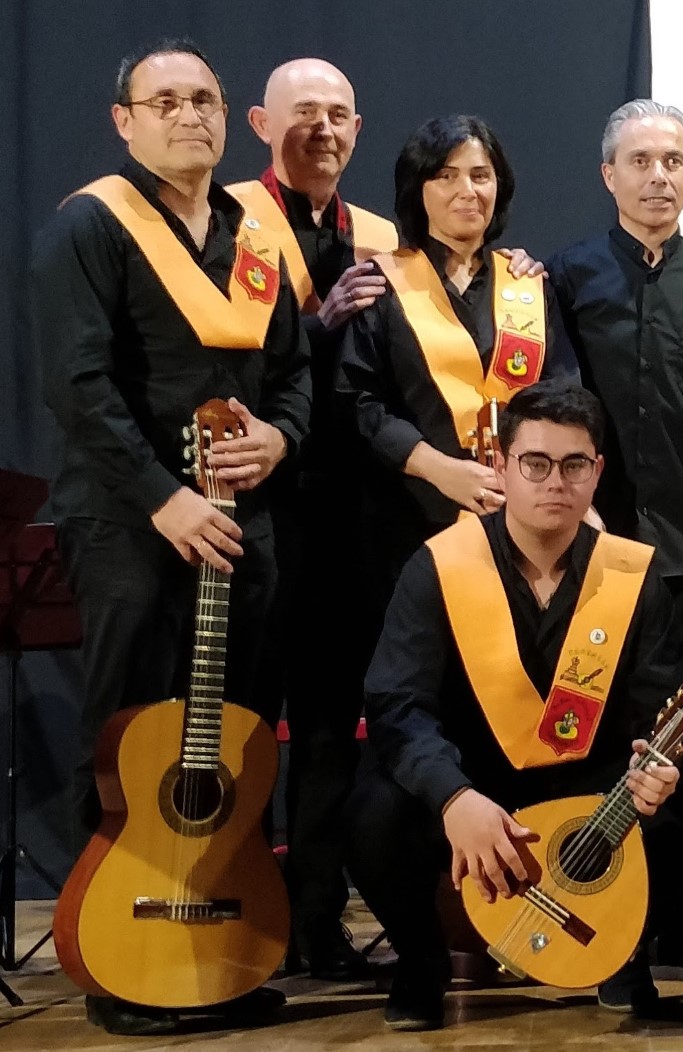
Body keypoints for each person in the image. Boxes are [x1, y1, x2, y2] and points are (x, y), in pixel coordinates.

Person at [31, 38, 308, 1035]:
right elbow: (77, 384)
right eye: (166, 99)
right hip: (131, 526)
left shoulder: (253, 236)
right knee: (130, 743)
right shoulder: (92, 226)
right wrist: (162, 496)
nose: (190, 114)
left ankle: (220, 946)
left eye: (205, 99)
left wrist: (284, 434)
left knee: (236, 736)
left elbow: (294, 372)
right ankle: (122, 957)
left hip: (243, 523)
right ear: (125, 121)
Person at [347, 381, 683, 1031]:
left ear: (597, 473)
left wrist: (657, 767)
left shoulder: (632, 575)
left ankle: (625, 947)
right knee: (372, 807)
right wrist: (453, 798)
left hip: (591, 788)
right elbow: (397, 705)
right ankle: (422, 960)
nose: (554, 481)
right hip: (476, 781)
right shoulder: (439, 566)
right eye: (535, 463)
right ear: (500, 467)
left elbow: (653, 707)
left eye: (574, 464)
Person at [546, 97, 683, 1006]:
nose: (657, 176)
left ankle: (680, 914)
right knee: (613, 749)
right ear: (609, 174)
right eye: (639, 161)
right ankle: (619, 942)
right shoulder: (562, 278)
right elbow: (553, 405)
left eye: (673, 160)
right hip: (599, 555)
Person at [225, 57, 396, 981]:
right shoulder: (227, 224)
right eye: (303, 114)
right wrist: (315, 325)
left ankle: (317, 922)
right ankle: (236, 917)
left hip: (350, 528)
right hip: (256, 518)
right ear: (260, 123)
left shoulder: (380, 232)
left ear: (358, 130)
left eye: (338, 114)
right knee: (245, 732)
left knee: (332, 735)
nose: (321, 130)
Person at [336, 114, 576, 584]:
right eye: (445, 176)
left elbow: (563, 396)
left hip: (523, 521)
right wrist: (441, 469)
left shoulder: (526, 284)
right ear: (417, 189)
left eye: (480, 175)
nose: (467, 190)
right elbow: (357, 401)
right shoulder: (383, 284)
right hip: (411, 521)